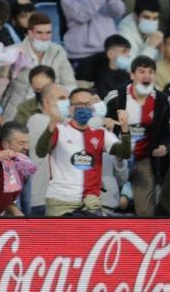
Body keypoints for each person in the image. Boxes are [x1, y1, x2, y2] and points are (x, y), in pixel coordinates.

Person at [36, 87, 131, 216]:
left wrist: (125, 129)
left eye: (87, 104)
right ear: (69, 108)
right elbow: (40, 151)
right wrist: (51, 124)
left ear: (93, 108)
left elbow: (124, 153)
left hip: (91, 204)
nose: (83, 108)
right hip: (60, 203)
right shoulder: (59, 130)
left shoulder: (101, 133)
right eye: (78, 104)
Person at [103, 56, 169, 217]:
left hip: (144, 159)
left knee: (146, 211)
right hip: (116, 158)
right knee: (108, 206)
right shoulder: (116, 97)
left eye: (151, 72)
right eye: (141, 72)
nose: (146, 76)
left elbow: (165, 131)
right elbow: (100, 124)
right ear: (132, 75)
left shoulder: (161, 99)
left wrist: (163, 146)